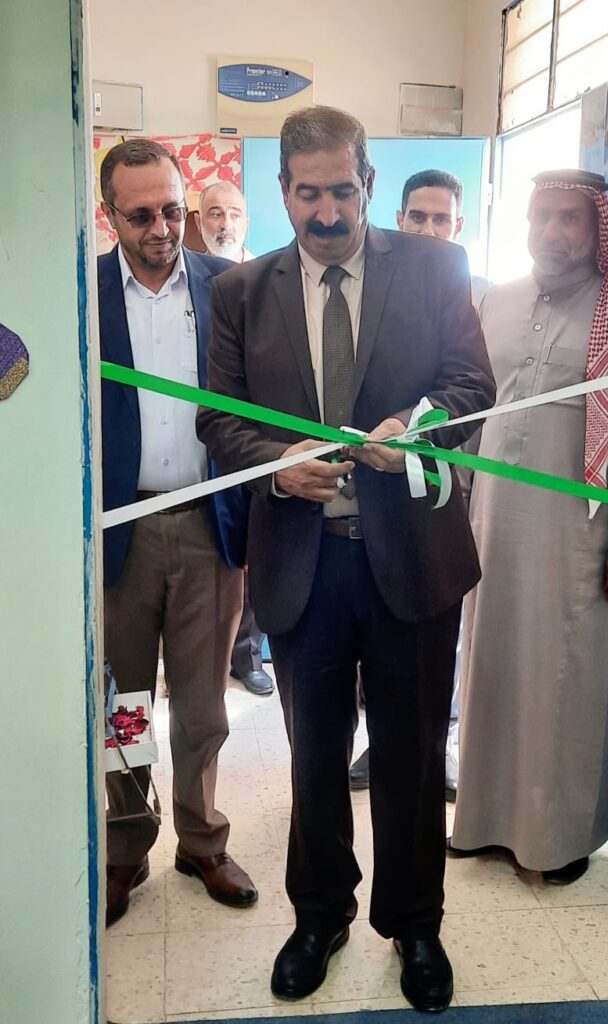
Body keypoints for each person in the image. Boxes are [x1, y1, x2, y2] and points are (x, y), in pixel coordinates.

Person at [197, 106, 495, 1012]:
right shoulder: (241, 292)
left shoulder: (437, 268)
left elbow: (472, 387)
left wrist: (415, 428)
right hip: (304, 566)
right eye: (307, 194)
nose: (326, 212)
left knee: (411, 757)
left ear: (368, 182)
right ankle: (319, 916)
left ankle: (415, 925)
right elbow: (219, 417)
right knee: (315, 757)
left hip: (413, 561)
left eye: (341, 191)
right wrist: (277, 467)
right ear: (282, 190)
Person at [449, 168, 608, 886]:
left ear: (597, 224)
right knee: (490, 667)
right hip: (491, 521)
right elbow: (471, 412)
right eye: (540, 215)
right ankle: (482, 820)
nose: (551, 231)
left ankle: (561, 837)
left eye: (568, 217)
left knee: (568, 680)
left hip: (579, 532)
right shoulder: (496, 300)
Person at [99, 139, 256, 926]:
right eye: (141, 216)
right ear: (110, 216)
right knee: (125, 705)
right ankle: (127, 843)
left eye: (171, 210)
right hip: (117, 533)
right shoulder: (80, 292)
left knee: (203, 707)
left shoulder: (227, 287)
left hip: (207, 526)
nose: (161, 228)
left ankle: (201, 840)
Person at [349, 168, 490, 798]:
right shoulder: (369, 284)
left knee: (432, 660)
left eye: (441, 220)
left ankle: (438, 748)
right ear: (397, 219)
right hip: (368, 501)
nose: (428, 230)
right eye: (417, 218)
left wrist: (419, 429)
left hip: (447, 498)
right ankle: (377, 745)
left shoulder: (478, 293)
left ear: (459, 227)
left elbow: (474, 390)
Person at [195, 181, 273, 697]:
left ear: (247, 221)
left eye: (233, 214)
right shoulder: (191, 279)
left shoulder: (269, 280)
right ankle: (206, 657)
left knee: (256, 547)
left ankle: (249, 653)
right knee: (212, 555)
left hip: (260, 439)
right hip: (205, 436)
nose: (224, 224)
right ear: (199, 222)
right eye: (214, 214)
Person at [195, 181, 253, 263]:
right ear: (199, 223)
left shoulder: (266, 270)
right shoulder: (186, 270)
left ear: (246, 224)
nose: (226, 225)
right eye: (216, 214)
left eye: (235, 216)